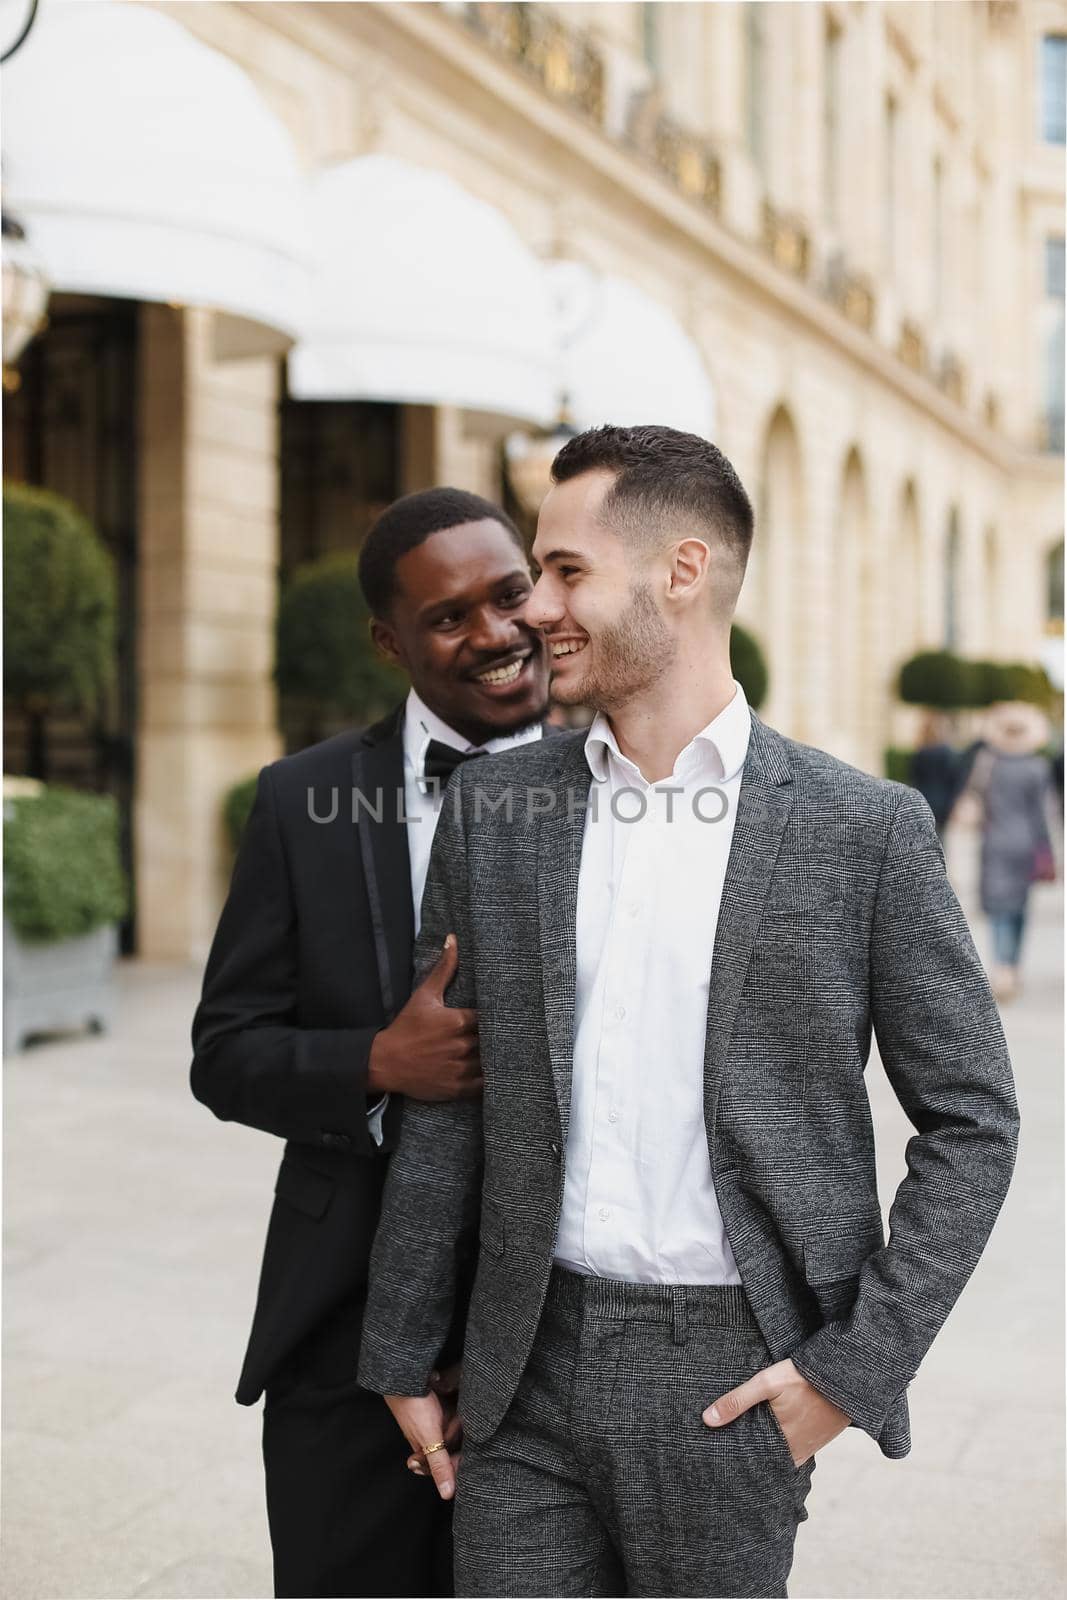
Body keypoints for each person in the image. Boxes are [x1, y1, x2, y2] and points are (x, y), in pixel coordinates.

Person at [357, 426, 1019, 1599]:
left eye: (566, 573)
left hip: (732, 1374)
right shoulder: (497, 809)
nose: (532, 612)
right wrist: (404, 1343)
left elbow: (971, 1119)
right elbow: (454, 1092)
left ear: (682, 569)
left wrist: (847, 1372)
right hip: (518, 1361)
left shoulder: (858, 830)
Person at [190, 487, 550, 1599]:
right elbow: (225, 1048)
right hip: (341, 1318)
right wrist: (372, 1065)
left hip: (553, 1334)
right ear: (389, 641)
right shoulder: (301, 800)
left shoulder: (632, 780)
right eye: (449, 617)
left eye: (510, 595)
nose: (493, 634)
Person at [959, 701, 1056, 1003]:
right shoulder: (1036, 767)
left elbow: (974, 799)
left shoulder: (988, 763)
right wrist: (1048, 852)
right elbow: (1043, 816)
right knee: (1019, 908)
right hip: (1025, 844)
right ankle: (1012, 966)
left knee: (999, 907)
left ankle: (1001, 968)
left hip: (995, 842)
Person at [909, 712, 961, 834]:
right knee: (941, 838)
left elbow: (914, 778)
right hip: (943, 802)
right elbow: (954, 779)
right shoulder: (947, 753)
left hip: (923, 799)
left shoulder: (921, 752)